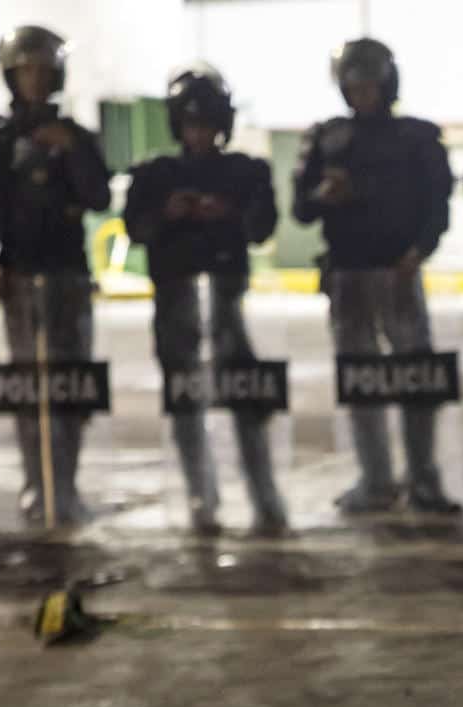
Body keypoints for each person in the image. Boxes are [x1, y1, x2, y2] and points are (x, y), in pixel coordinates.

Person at [293, 36, 461, 515]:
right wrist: (326, 193)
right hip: (348, 275)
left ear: (386, 84)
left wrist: (419, 251)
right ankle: (376, 480)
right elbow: (300, 209)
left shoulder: (417, 136)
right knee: (361, 379)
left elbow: (437, 206)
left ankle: (424, 480)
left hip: (399, 271)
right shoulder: (325, 137)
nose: (360, 92)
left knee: (418, 378)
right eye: (353, 85)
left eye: (368, 83)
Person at [126, 64, 289, 537]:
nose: (201, 134)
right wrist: (167, 212)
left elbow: (263, 227)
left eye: (210, 124)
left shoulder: (245, 171)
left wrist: (230, 212)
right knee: (184, 397)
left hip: (229, 299)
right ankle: (200, 497)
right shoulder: (156, 174)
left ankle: (264, 495)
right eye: (193, 123)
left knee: (245, 395)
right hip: (175, 298)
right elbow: (136, 228)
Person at [0, 25, 112, 526]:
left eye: (44, 71)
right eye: (26, 71)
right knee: (30, 386)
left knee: (71, 384)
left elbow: (100, 197)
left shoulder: (78, 136)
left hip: (69, 275)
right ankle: (35, 483)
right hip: (21, 277)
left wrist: (69, 150)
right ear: (11, 77)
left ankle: (65, 485)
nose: (35, 81)